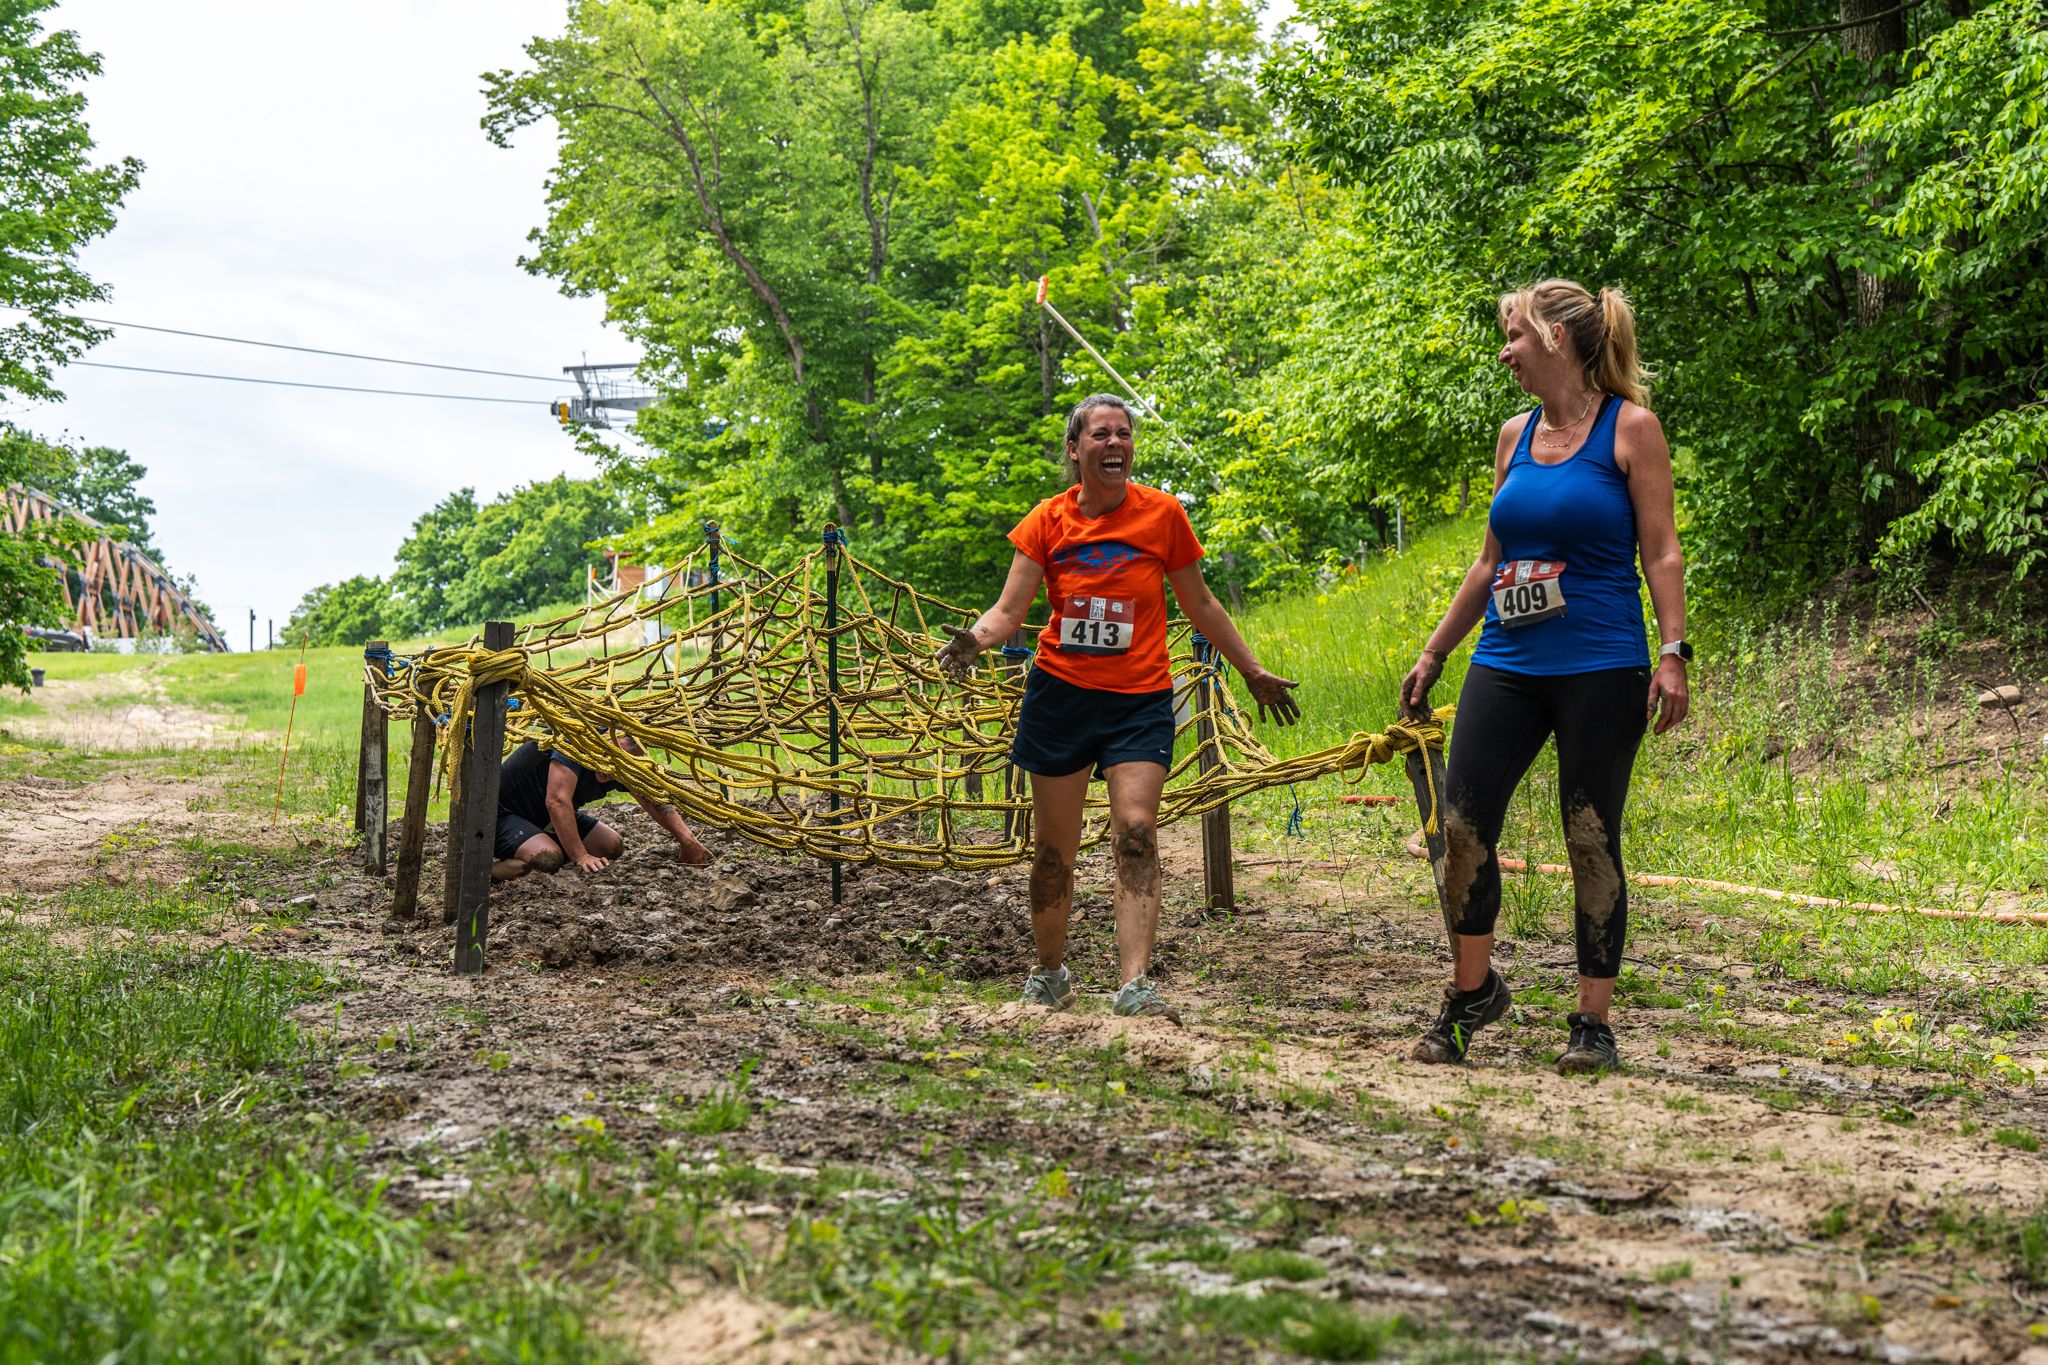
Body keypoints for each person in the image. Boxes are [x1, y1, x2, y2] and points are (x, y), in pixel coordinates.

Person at [1399, 279, 1689, 1075]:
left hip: (1600, 662)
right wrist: (1434, 651)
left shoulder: (1631, 428)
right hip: (1508, 659)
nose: (1505, 351)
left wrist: (1673, 651)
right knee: (1461, 826)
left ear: (1557, 336)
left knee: (1588, 835)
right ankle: (1471, 995)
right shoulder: (1513, 435)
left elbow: (1660, 551)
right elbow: (1489, 559)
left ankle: (1592, 1022)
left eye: (1514, 335)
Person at [937, 394, 1302, 1021]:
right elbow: (1009, 609)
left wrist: (1252, 669)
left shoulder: (1161, 514)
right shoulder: (1046, 521)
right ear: (1076, 450)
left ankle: (1135, 984)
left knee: (1135, 834)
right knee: (1054, 851)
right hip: (1061, 696)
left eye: (1124, 434)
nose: (1115, 444)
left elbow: (1202, 604)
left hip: (1138, 699)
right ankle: (1050, 974)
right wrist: (978, 638)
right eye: (1101, 435)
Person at [491, 733, 711, 879]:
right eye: (606, 759)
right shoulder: (575, 741)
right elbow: (557, 801)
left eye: (616, 766)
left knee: (611, 845)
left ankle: (541, 848)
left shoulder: (629, 760)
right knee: (547, 858)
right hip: (498, 815)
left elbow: (653, 800)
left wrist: (688, 841)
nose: (608, 771)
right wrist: (581, 856)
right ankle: (482, 874)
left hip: (541, 818)